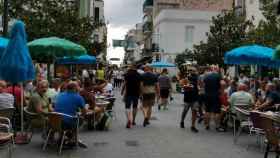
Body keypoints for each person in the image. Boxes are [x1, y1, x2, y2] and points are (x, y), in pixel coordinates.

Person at [179, 67, 199, 133]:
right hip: (187, 98)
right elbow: (181, 86)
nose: (192, 72)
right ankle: (182, 121)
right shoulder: (186, 78)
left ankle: (193, 126)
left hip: (195, 97)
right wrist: (185, 86)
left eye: (194, 71)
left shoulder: (198, 78)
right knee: (185, 110)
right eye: (191, 71)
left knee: (194, 111)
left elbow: (200, 86)